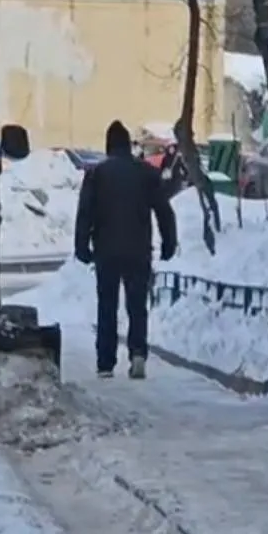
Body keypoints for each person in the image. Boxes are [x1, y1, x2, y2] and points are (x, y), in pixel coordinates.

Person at [74, 120, 178, 379]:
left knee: (107, 305)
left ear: (109, 146)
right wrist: (168, 243)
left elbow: (85, 213)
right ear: (128, 146)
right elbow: (164, 211)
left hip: (106, 251)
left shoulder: (96, 175)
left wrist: (82, 246)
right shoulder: (145, 173)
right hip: (138, 250)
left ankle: (105, 362)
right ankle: (138, 354)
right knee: (137, 305)